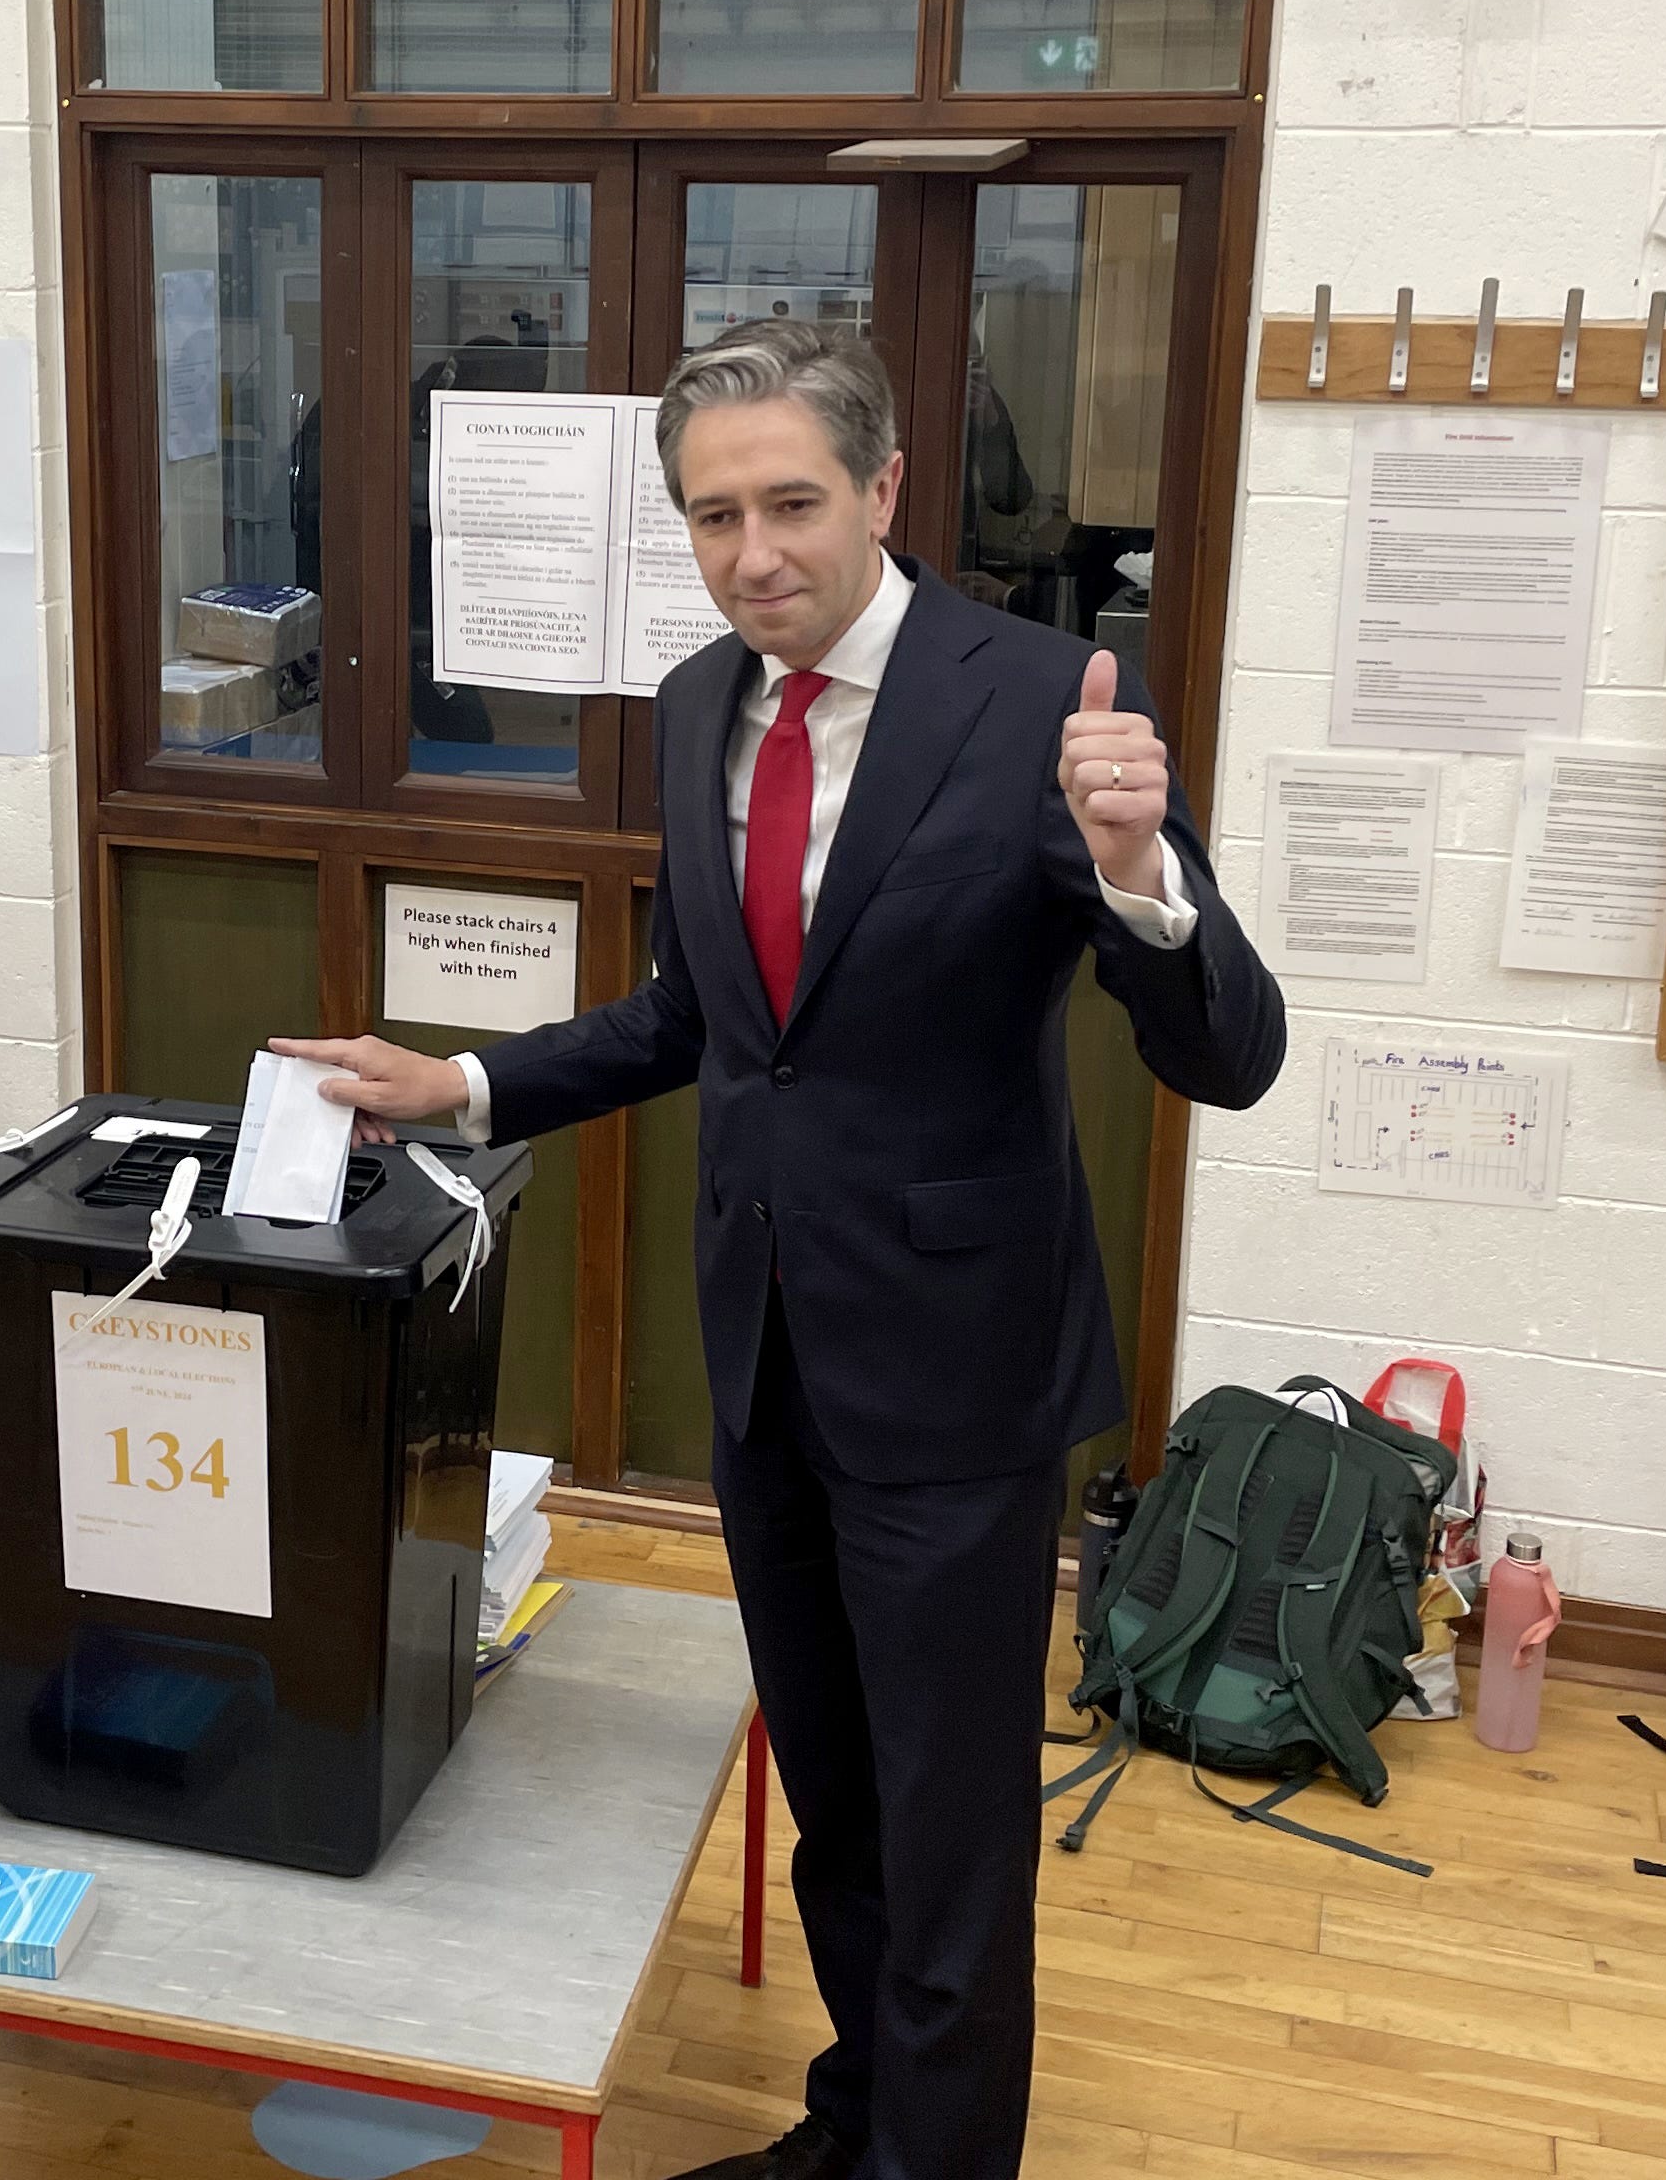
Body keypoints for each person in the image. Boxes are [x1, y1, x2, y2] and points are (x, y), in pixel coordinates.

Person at [279, 321, 1286, 2180]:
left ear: (887, 489)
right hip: (765, 1353)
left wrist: (1143, 880)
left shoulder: (1032, 701)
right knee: (835, 1800)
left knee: (952, 1832)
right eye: (714, 514)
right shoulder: (696, 704)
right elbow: (705, 1016)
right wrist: (466, 1078)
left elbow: (1229, 1051)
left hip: (959, 1378)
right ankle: (857, 2126)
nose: (756, 551)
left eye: (793, 502)